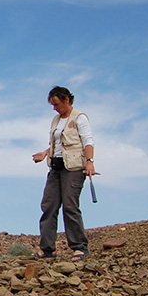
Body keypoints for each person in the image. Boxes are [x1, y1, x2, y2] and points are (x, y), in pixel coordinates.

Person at [31, 86, 96, 261]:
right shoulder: (56, 120)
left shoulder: (79, 118)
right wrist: (45, 153)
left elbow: (87, 141)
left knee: (70, 206)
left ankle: (79, 247)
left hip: (73, 168)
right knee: (49, 206)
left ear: (67, 100)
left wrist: (90, 162)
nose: (54, 108)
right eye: (52, 105)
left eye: (57, 104)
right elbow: (57, 143)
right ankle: (47, 248)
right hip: (56, 167)